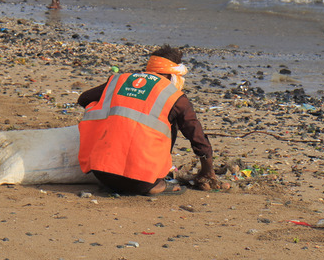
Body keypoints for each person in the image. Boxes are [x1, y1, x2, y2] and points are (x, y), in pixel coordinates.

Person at [77, 45, 229, 195]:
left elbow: (84, 99)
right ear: (173, 75)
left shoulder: (119, 80)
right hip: (142, 182)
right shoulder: (175, 97)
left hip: (102, 174)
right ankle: (157, 183)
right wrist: (207, 171)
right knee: (171, 120)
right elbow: (197, 138)